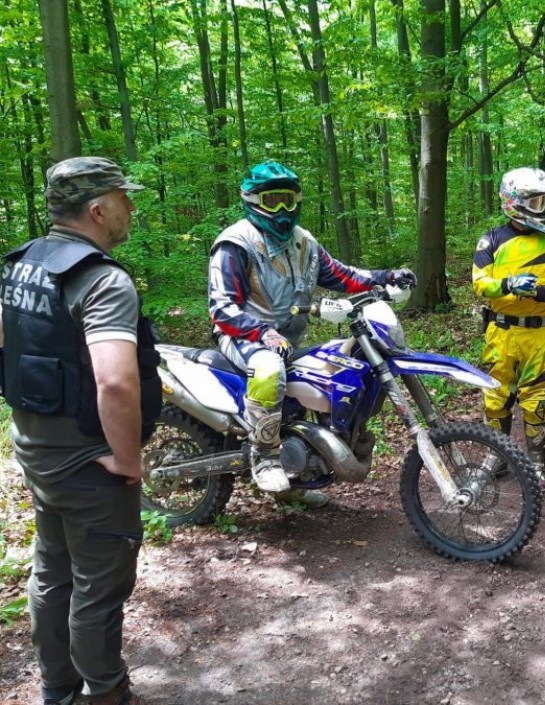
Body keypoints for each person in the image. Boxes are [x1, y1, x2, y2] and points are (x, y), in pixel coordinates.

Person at [1, 157, 161, 705]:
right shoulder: (101, 279)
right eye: (123, 198)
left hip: (38, 451)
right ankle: (107, 693)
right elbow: (116, 383)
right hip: (90, 463)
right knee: (98, 587)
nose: (130, 208)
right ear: (98, 209)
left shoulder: (20, 264)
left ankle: (58, 690)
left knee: (53, 574)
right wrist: (126, 460)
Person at [209, 162, 414, 495]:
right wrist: (263, 333)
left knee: (340, 360)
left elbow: (343, 275)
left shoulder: (303, 243)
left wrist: (386, 276)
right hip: (242, 338)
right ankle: (265, 457)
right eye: (273, 200)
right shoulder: (235, 243)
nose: (282, 209)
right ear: (253, 200)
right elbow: (221, 308)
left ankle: (302, 469)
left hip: (286, 340)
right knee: (268, 368)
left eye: (288, 200)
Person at [472, 167, 545, 483]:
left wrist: (538, 290)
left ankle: (536, 462)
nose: (543, 207)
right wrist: (508, 285)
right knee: (495, 395)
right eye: (535, 201)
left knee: (536, 399)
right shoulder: (491, 239)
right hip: (500, 331)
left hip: (536, 332)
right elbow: (480, 284)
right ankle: (496, 456)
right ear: (514, 202)